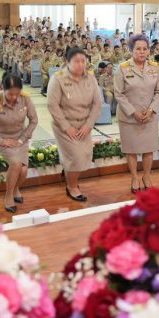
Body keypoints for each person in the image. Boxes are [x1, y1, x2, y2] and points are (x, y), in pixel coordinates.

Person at [47, 47, 102, 202]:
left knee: (85, 155)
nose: (80, 64)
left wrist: (89, 125)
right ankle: (72, 186)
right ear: (67, 62)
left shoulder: (90, 78)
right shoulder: (58, 79)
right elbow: (52, 105)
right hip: (64, 125)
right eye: (76, 61)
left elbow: (97, 104)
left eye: (83, 61)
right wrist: (66, 127)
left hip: (84, 125)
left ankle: (68, 171)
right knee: (76, 157)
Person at [0, 74, 38, 213]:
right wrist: (1, 141)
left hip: (20, 138)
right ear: (2, 89)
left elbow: (34, 120)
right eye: (10, 94)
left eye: (17, 94)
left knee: (23, 171)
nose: (14, 97)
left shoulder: (25, 98)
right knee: (16, 164)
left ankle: (15, 189)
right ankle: (8, 195)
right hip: (2, 139)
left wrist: (22, 139)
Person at [114, 34, 159, 193]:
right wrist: (133, 112)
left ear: (149, 50)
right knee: (131, 149)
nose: (141, 52)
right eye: (138, 49)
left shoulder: (155, 68)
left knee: (149, 148)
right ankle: (135, 177)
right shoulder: (122, 68)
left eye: (145, 49)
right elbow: (118, 94)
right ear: (131, 50)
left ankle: (147, 176)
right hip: (129, 117)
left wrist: (151, 110)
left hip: (149, 116)